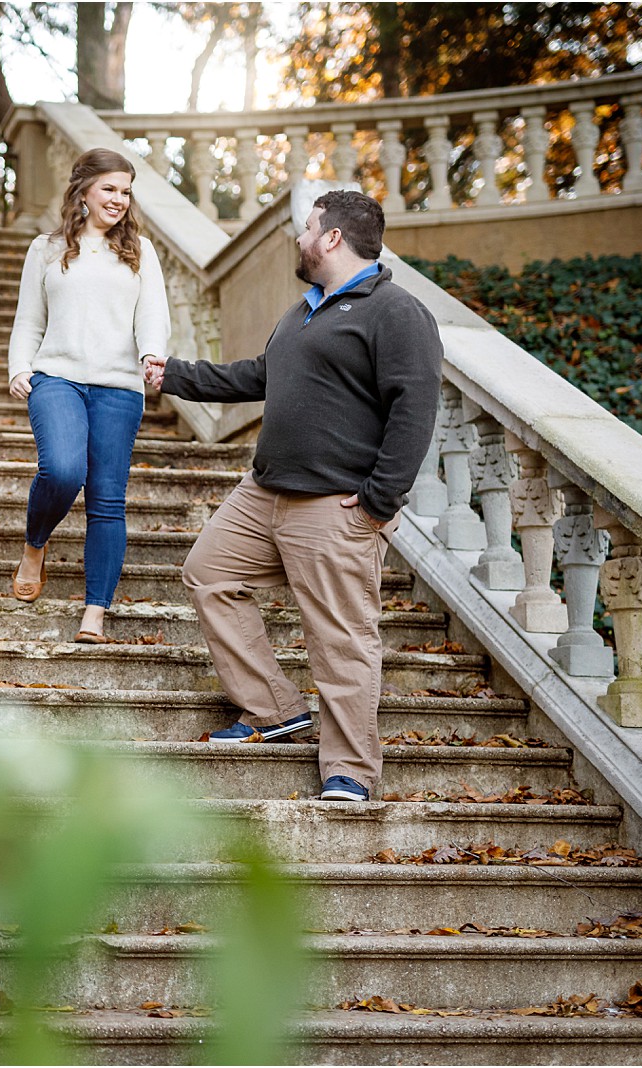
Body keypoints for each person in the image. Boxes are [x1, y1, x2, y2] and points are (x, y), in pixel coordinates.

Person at [142, 189, 442, 802]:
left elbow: (415, 410)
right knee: (208, 572)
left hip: (334, 505)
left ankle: (350, 771)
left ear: (332, 237)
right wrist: (173, 374)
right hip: (264, 492)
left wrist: (380, 501)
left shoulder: (395, 311)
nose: (299, 239)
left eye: (307, 229)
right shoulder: (304, 310)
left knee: (340, 641)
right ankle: (274, 708)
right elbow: (258, 375)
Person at [7, 147, 169, 643]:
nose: (119, 200)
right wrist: (19, 366)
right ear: (84, 190)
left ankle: (94, 614)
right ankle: (36, 543)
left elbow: (153, 315)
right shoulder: (46, 249)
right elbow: (29, 318)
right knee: (62, 469)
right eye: (109, 189)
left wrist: (152, 354)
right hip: (57, 377)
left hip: (119, 387)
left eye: (125, 191)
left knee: (106, 500)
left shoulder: (140, 250)